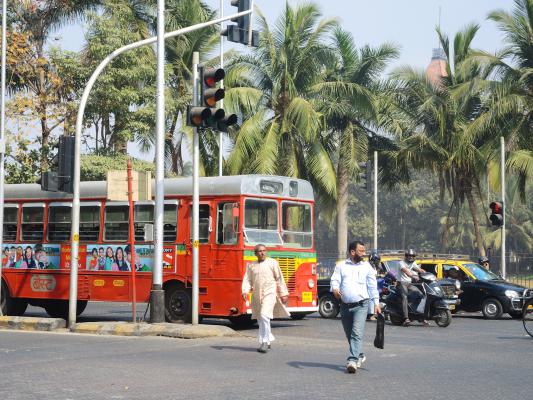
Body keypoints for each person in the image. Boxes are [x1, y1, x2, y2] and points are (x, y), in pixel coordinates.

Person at [330, 240, 380, 374]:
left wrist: (376, 303)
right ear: (352, 252)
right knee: (349, 334)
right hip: (345, 306)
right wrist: (335, 289)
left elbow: (372, 286)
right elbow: (335, 280)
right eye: (361, 251)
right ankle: (360, 354)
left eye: (364, 251)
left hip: (361, 305)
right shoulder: (341, 266)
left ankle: (352, 360)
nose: (364, 253)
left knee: (356, 333)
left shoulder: (367, 267)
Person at [241, 244, 289, 354]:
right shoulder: (251, 265)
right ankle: (268, 339)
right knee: (260, 318)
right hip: (257, 294)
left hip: (270, 293)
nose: (262, 253)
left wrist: (283, 293)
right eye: (260, 251)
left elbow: (279, 278)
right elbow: (247, 280)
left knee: (264, 315)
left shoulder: (272, 263)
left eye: (264, 251)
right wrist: (245, 291)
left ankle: (264, 341)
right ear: (255, 253)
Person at [398, 248, 426, 326]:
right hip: (401, 283)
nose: (410, 257)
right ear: (406, 256)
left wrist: (427, 274)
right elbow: (406, 271)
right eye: (409, 256)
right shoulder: (401, 263)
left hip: (409, 284)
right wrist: (413, 276)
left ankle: (415, 312)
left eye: (412, 256)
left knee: (421, 295)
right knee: (405, 297)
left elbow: (419, 270)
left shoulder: (413, 263)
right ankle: (406, 318)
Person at [367, 252, 382, 320]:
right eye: (376, 260)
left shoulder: (373, 267)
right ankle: (370, 315)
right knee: (371, 298)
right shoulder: (367, 266)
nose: (377, 262)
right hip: (368, 286)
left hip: (373, 285)